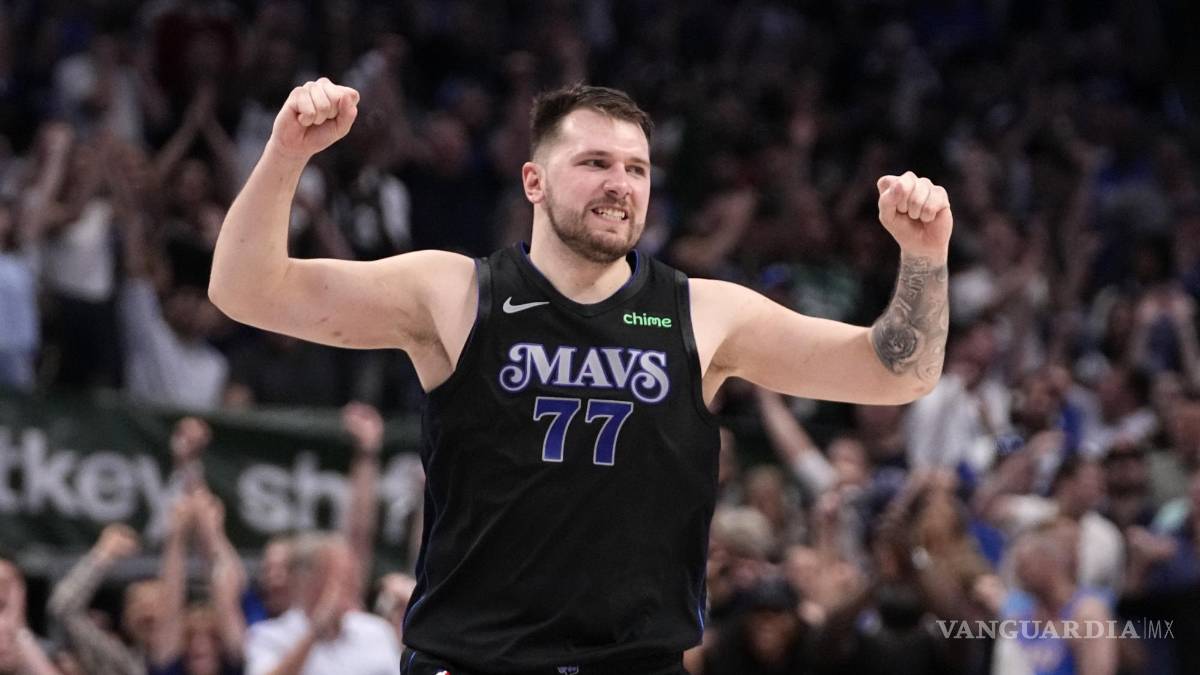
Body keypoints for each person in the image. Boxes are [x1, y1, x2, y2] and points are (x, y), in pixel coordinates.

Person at [209, 77, 953, 674]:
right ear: (533, 181)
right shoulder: (454, 293)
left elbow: (896, 375)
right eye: (595, 163)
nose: (620, 183)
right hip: (472, 660)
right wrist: (286, 154)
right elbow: (246, 291)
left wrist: (925, 256)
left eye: (637, 169)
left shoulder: (705, 313)